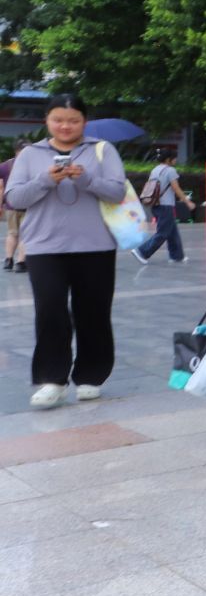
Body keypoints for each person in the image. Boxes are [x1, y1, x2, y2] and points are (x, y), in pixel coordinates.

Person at [2, 93, 128, 407]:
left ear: (84, 121)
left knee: (93, 312)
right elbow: (14, 198)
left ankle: (90, 376)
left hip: (96, 245)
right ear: (47, 120)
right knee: (49, 311)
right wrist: (46, 180)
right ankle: (52, 380)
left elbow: (116, 192)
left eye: (73, 120)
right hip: (44, 247)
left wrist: (87, 179)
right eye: (58, 120)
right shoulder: (31, 154)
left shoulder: (102, 150)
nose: (65, 126)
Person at [134, 149, 194, 264]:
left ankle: (177, 256)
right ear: (168, 159)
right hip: (166, 206)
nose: (176, 160)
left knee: (172, 231)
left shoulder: (155, 170)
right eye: (174, 158)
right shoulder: (170, 170)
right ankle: (142, 252)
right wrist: (188, 202)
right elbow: (176, 188)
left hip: (155, 205)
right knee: (163, 233)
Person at [1, 137, 26, 272]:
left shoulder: (6, 165)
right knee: (25, 235)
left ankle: (8, 260)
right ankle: (21, 263)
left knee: (12, 234)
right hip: (28, 206)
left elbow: (1, 187)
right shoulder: (33, 165)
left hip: (10, 206)